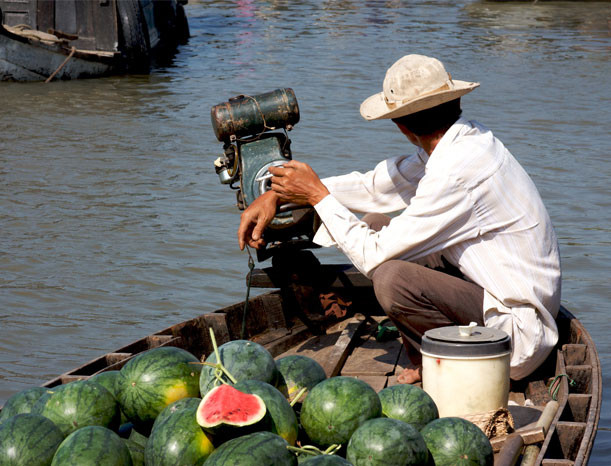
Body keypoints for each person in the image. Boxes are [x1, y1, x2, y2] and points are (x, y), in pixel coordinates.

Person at [237, 54, 561, 384]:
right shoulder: (464, 143)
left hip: (515, 340)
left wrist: (317, 195)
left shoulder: (457, 171)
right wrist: (281, 193)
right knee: (377, 222)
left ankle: (447, 364)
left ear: (401, 126)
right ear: (455, 103)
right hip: (498, 302)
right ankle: (431, 353)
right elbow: (376, 187)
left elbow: (371, 257)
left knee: (391, 277)